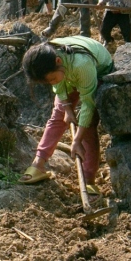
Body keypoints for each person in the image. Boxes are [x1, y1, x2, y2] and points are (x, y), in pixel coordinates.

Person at [20, 36, 114, 186]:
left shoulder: (81, 65)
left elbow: (88, 105)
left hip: (97, 71)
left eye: (52, 79)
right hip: (67, 72)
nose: (51, 83)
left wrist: (76, 140)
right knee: (58, 115)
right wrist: (67, 109)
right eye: (48, 81)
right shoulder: (49, 57)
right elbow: (58, 86)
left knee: (88, 126)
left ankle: (88, 180)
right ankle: (38, 163)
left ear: (58, 61)